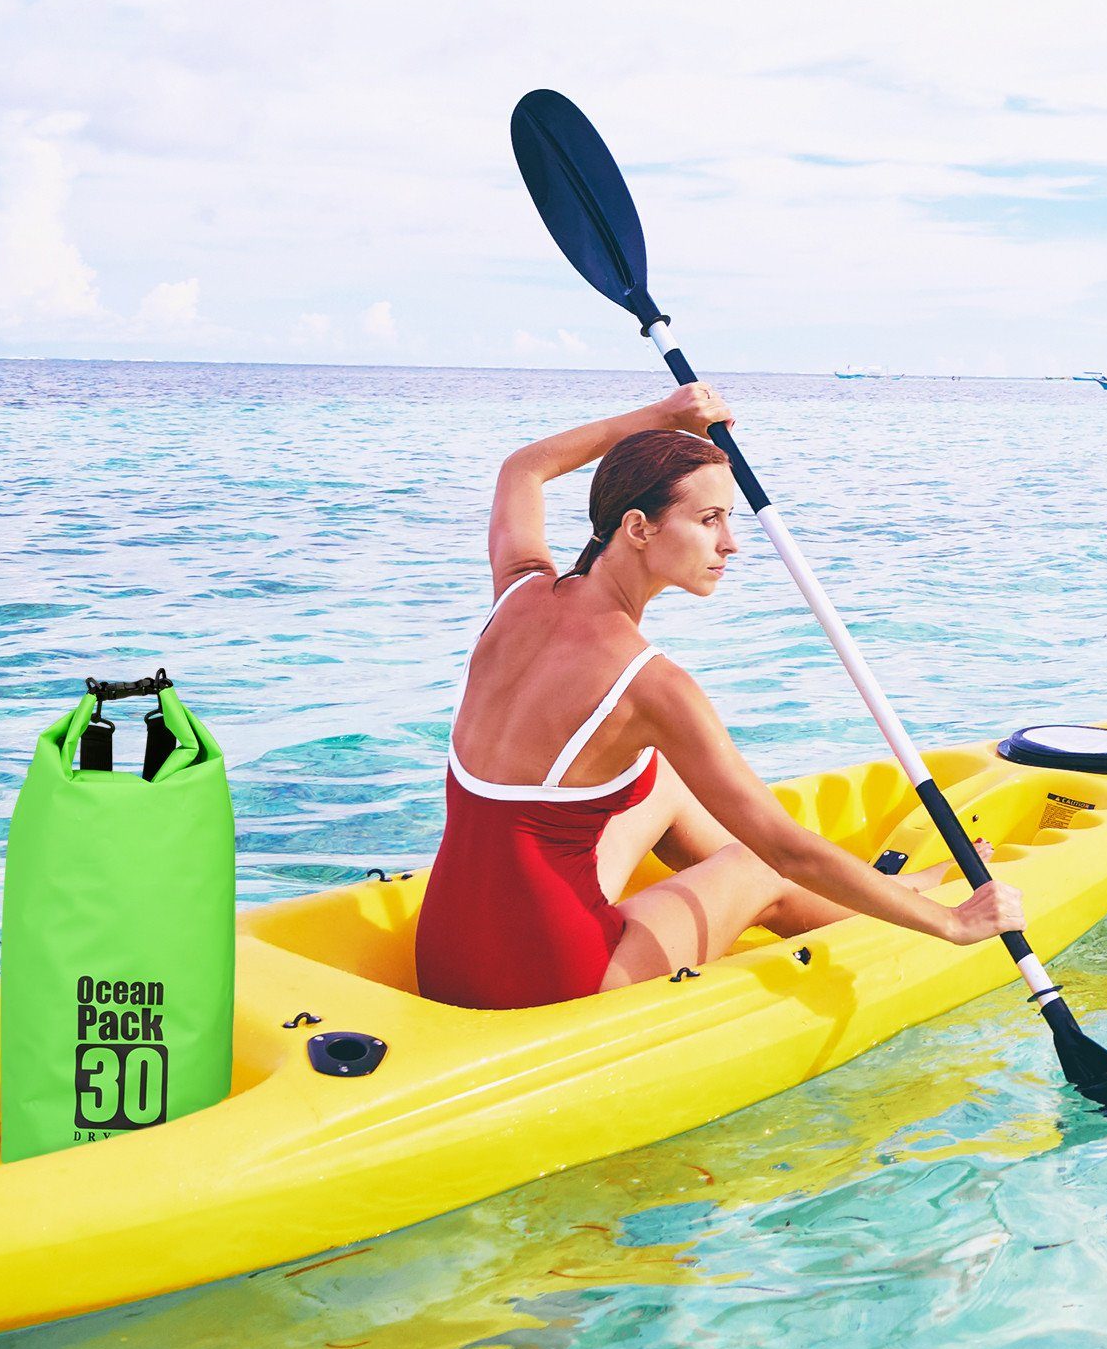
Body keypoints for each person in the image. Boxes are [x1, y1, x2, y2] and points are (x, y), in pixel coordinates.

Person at [413, 385, 1023, 1009]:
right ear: (638, 528)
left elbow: (524, 467)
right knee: (758, 866)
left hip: (441, 952)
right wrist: (955, 926)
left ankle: (879, 890)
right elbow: (784, 848)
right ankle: (899, 911)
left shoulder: (518, 591)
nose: (731, 543)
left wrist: (660, 418)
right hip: (547, 979)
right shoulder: (652, 686)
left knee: (662, 779)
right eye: (710, 520)